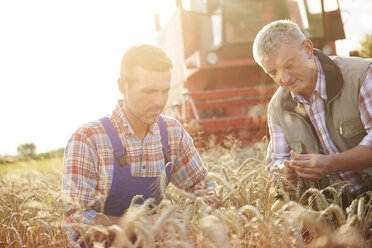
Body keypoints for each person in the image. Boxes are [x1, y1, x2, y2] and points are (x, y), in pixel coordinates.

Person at [62, 44, 219, 245]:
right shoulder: (88, 138)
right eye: (149, 91)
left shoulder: (172, 132)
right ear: (122, 86)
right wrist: (142, 225)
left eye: (165, 91)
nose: (159, 101)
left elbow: (204, 183)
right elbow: (74, 222)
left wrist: (211, 192)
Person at [252, 20, 372, 196]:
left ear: (307, 49)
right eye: (273, 72)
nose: (284, 78)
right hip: (326, 211)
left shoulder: (361, 76)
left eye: (288, 65)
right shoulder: (277, 107)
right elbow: (276, 160)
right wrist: (283, 172)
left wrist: (331, 163)